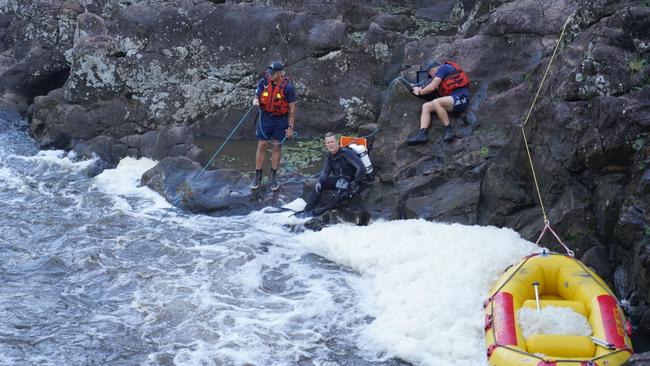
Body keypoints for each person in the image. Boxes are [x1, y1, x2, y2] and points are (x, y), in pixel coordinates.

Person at [250, 61, 297, 190]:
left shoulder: (288, 88)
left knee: (277, 146)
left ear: (279, 73)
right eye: (269, 72)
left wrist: (290, 127)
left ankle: (273, 176)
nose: (269, 75)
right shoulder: (263, 82)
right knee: (262, 145)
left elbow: (292, 108)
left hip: (280, 120)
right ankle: (258, 176)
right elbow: (257, 94)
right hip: (265, 118)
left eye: (272, 73)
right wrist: (255, 100)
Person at [301, 132, 365, 217]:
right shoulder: (329, 156)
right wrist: (320, 182)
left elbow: (361, 167)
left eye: (332, 141)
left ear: (337, 142)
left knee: (342, 194)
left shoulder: (346, 153)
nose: (331, 144)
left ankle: (320, 211)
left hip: (352, 182)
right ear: (326, 145)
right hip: (340, 180)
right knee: (319, 185)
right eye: (328, 142)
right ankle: (307, 210)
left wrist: (354, 183)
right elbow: (325, 173)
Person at [407, 60, 470, 145]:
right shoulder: (443, 77)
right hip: (452, 100)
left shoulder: (443, 68)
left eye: (431, 75)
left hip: (461, 99)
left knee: (437, 102)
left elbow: (432, 87)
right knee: (426, 106)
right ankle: (422, 134)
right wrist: (418, 90)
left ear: (432, 71)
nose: (432, 77)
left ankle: (448, 130)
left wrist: (419, 92)